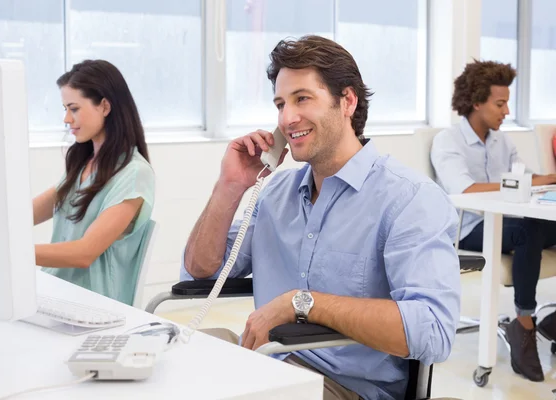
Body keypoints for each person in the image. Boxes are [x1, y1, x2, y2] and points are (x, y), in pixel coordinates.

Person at [181, 35, 461, 400]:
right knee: (168, 364)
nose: (286, 118)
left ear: (346, 101)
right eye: (280, 104)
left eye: (302, 99)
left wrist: (303, 302)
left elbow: (434, 332)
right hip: (267, 364)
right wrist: (229, 186)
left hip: (345, 389)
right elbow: (200, 270)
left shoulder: (409, 199)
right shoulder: (275, 195)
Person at [431, 60, 556, 382]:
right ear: (476, 102)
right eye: (500, 104)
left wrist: (551, 178)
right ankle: (524, 324)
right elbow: (465, 189)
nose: (506, 110)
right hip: (469, 227)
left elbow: (526, 177)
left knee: (534, 226)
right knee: (530, 230)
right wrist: (522, 185)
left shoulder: (504, 141)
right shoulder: (449, 141)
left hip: (509, 222)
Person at [33, 60, 155, 306]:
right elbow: (26, 213)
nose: (67, 119)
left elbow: (84, 253)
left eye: (74, 108)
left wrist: (10, 253)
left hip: (93, 306)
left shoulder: (134, 174)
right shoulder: (83, 165)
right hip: (55, 292)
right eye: (65, 109)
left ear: (105, 106)